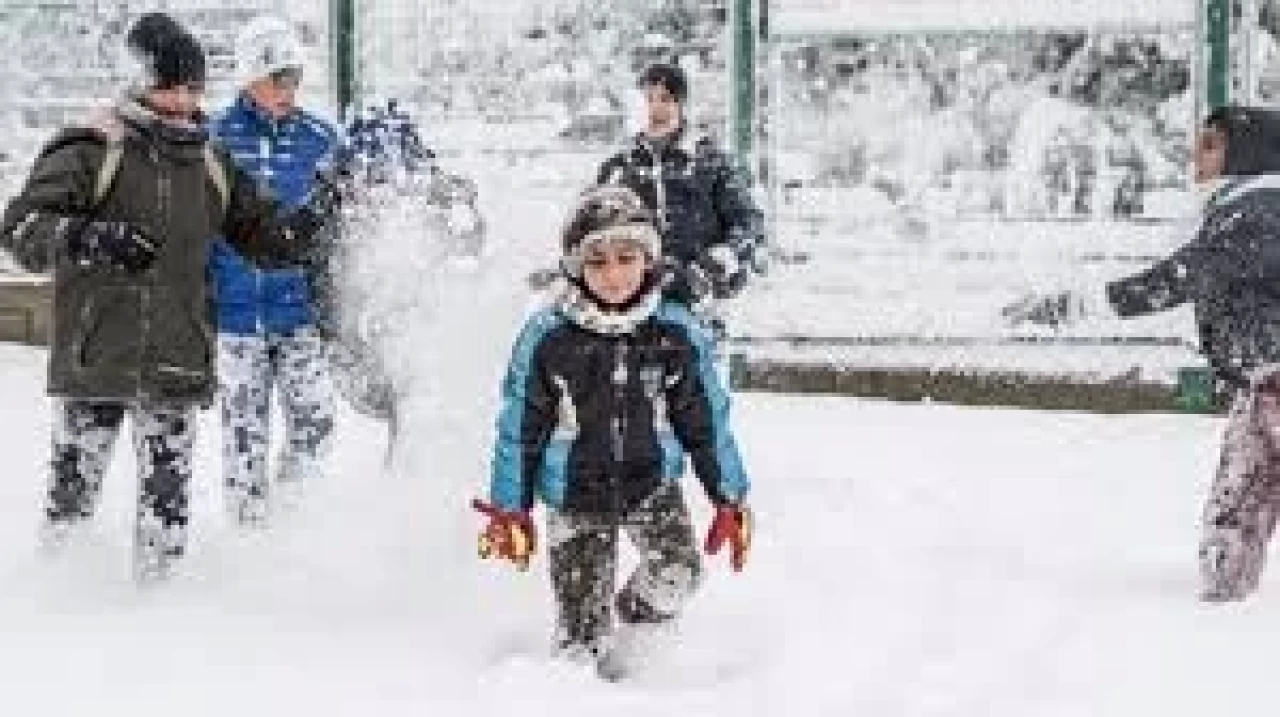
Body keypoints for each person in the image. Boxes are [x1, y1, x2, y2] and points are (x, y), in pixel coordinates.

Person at [0, 12, 336, 580]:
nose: (185, 101)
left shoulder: (210, 163)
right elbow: (20, 229)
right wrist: (88, 237)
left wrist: (314, 220)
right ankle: (58, 610)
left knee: (166, 521)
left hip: (176, 361)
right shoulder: (93, 147)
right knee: (72, 508)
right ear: (144, 84)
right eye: (172, 86)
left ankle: (159, 626)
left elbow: (264, 236)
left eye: (195, 88)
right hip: (96, 359)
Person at [473, 185, 752, 679]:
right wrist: (510, 507)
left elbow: (706, 422)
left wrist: (728, 496)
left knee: (677, 575)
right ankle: (585, 667)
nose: (614, 274)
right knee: (581, 645)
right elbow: (519, 427)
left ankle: (635, 637)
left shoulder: (674, 332)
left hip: (651, 485)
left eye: (627, 257)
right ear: (577, 268)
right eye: (597, 262)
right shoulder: (550, 336)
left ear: (648, 259)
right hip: (574, 495)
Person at [1003, 106, 1280, 602]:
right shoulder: (1248, 211)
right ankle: (1224, 586)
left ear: (1250, 153)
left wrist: (1076, 304)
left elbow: (1176, 280)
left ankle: (1225, 586)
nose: (1196, 156)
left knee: (1244, 487)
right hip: (1262, 381)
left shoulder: (1258, 213)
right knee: (1243, 488)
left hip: (1272, 379)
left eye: (1212, 144)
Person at [208, 15, 339, 525]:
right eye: (275, 77)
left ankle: (293, 518)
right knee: (244, 431)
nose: (288, 88)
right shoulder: (214, 138)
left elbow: (340, 221)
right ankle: (249, 533)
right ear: (248, 78)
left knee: (316, 419)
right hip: (236, 315)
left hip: (299, 313)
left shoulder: (321, 138)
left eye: (294, 77)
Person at [595, 63, 766, 313]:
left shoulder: (711, 162)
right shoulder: (619, 167)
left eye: (666, 99)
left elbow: (749, 223)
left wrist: (717, 263)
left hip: (701, 301)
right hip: (631, 298)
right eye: (648, 99)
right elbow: (593, 228)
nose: (656, 108)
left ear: (681, 104)